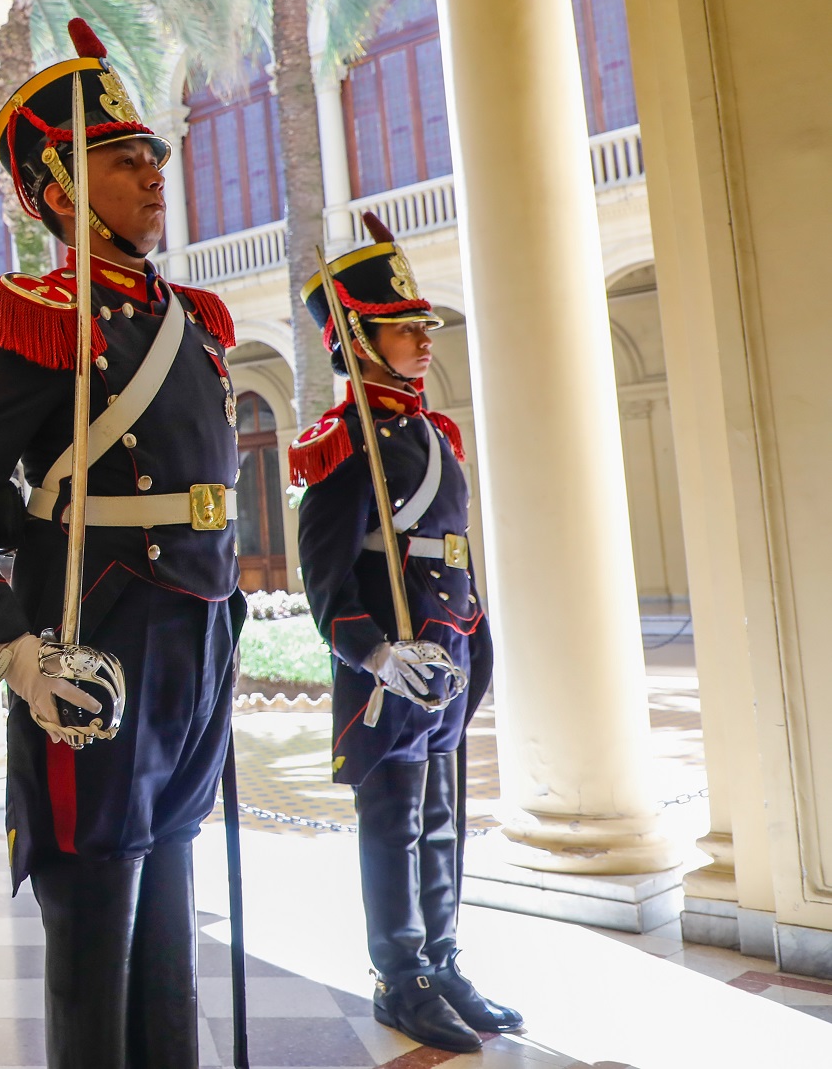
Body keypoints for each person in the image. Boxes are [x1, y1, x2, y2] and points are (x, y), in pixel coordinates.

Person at [0, 19, 244, 1069]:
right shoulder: (39, 315)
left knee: (172, 894)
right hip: (97, 636)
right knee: (96, 904)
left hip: (197, 631)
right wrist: (12, 645)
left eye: (149, 153)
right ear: (56, 187)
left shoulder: (191, 321)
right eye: (119, 158)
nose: (152, 173)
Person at [289, 218, 522, 1055]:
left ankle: (444, 960)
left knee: (442, 820)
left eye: (426, 328)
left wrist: (470, 645)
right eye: (405, 328)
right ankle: (401, 976)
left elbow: (451, 555)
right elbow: (326, 586)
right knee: (392, 822)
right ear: (359, 336)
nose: (425, 341)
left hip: (447, 664)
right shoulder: (341, 445)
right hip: (391, 670)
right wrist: (379, 655)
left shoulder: (432, 433)